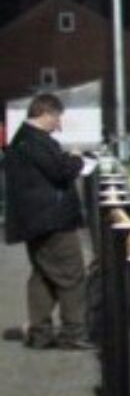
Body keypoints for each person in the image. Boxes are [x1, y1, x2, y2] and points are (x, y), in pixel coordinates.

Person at [3, 94, 93, 350]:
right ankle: (73, 333)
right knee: (72, 275)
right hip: (51, 222)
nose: (59, 124)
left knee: (43, 277)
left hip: (36, 222)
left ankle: (40, 333)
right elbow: (61, 171)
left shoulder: (23, 139)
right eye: (57, 118)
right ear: (46, 113)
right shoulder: (35, 141)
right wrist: (76, 158)